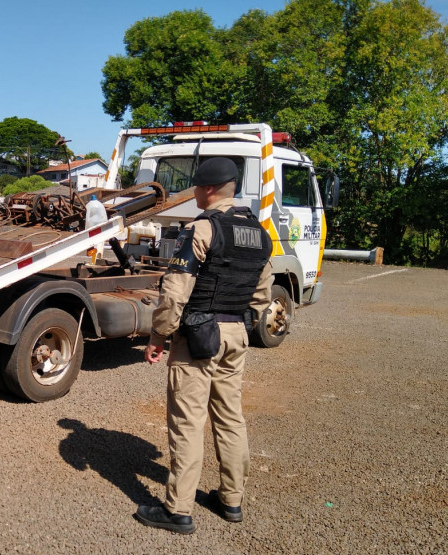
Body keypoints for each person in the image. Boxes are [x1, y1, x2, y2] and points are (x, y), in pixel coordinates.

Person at [135, 157, 274, 534]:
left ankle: (178, 510)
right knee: (230, 417)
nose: (194, 192)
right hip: (236, 335)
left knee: (188, 421)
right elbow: (262, 294)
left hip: (199, 337)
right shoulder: (260, 233)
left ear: (209, 189)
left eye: (196, 186)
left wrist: (158, 336)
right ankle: (231, 500)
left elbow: (175, 291)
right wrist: (240, 322)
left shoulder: (201, 228)